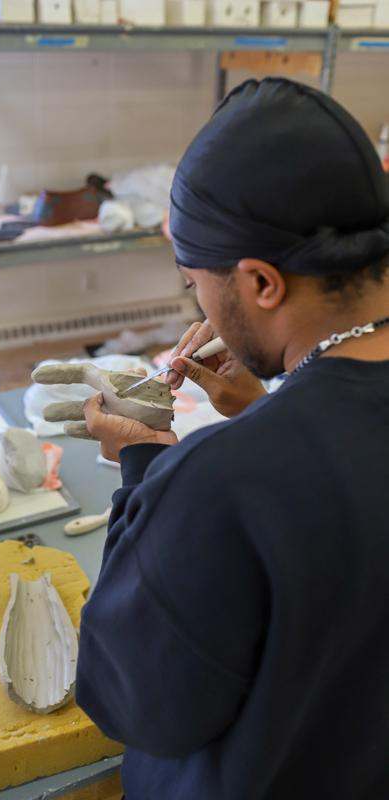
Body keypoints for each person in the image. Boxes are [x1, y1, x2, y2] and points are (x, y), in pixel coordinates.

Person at [75, 78, 389, 800]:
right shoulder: (253, 454)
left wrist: (146, 468)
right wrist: (269, 407)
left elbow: (134, 703)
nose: (199, 305)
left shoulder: (219, 481)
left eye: (196, 284)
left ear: (259, 282)